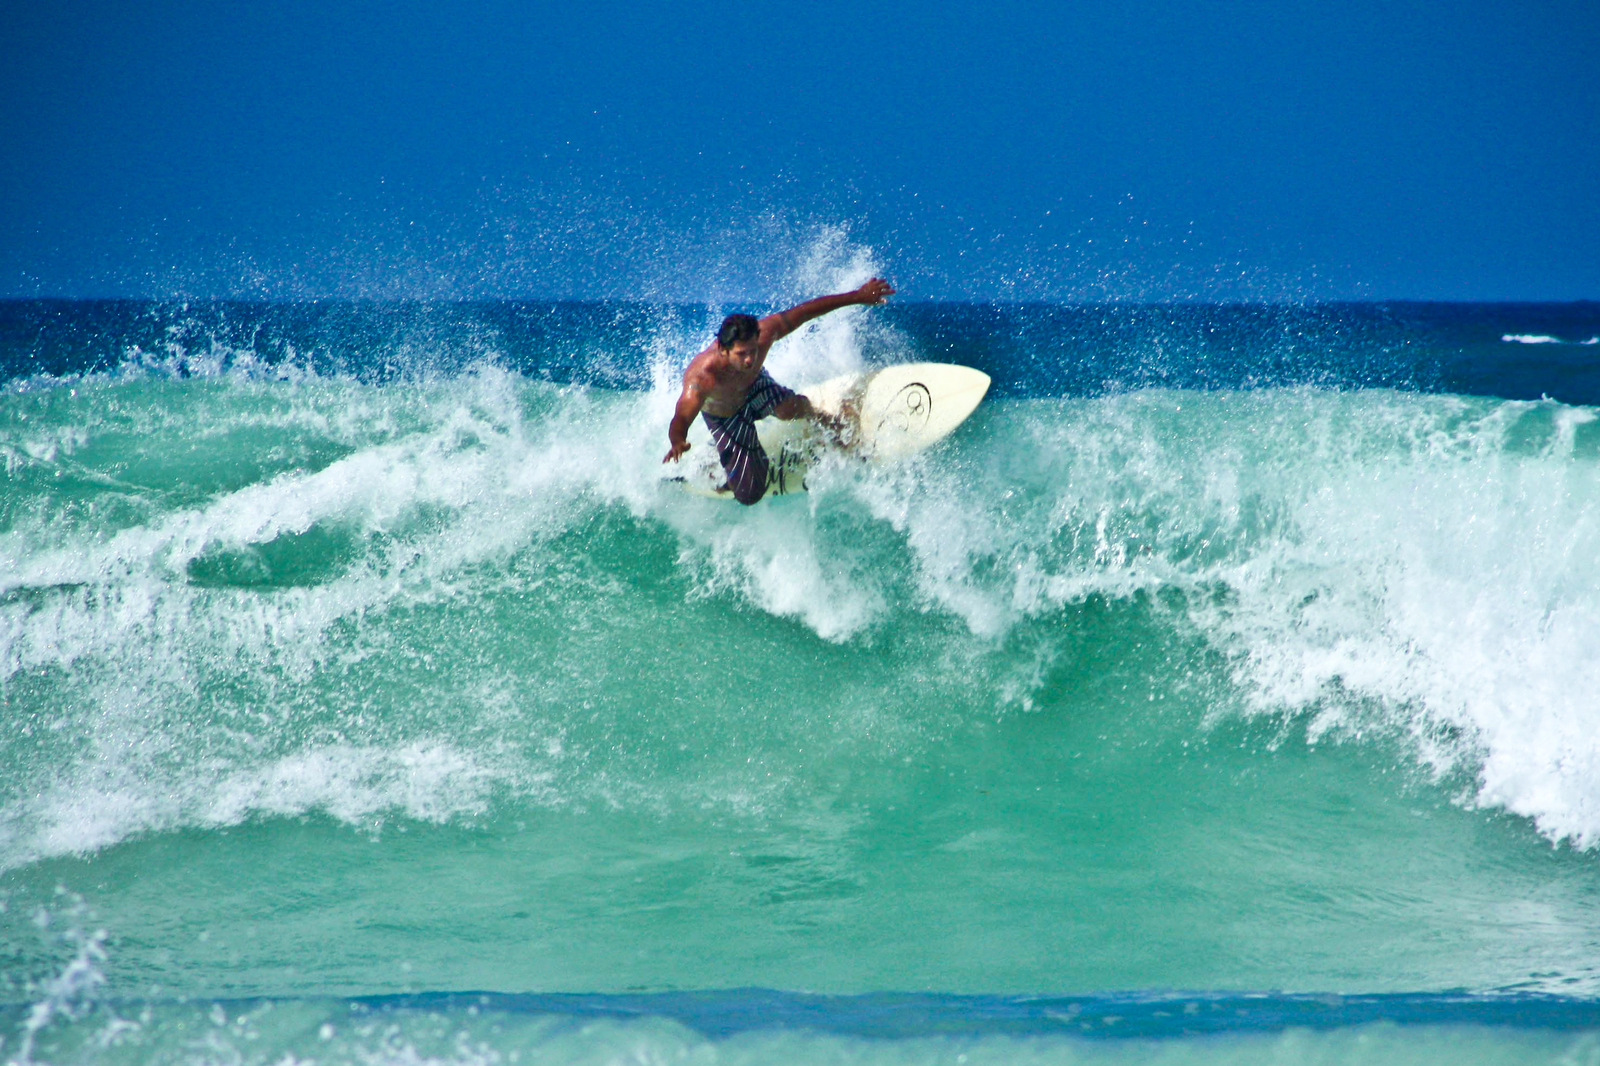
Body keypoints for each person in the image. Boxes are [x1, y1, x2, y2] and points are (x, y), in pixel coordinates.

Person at [662, 278, 895, 504]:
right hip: (726, 418)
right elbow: (681, 415)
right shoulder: (702, 377)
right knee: (750, 494)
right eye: (741, 354)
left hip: (755, 388)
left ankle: (822, 417)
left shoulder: (764, 334)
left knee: (788, 409)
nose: (750, 360)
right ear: (723, 350)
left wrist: (857, 296)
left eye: (752, 351)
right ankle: (719, 460)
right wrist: (678, 440)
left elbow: (804, 312)